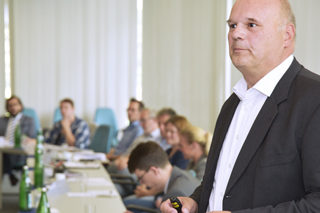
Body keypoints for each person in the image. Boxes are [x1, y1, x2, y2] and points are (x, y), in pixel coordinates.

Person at [161, 0, 320, 212]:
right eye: (232, 25)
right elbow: (223, 185)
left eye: (251, 24)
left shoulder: (314, 99)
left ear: (287, 35)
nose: (236, 34)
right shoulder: (232, 104)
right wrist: (196, 202)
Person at [125, 141, 200, 213]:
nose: (141, 183)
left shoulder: (175, 193)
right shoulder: (179, 175)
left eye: (141, 178)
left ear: (154, 171)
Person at [108, 108, 162, 197]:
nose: (140, 124)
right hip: (126, 169)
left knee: (114, 166)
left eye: (143, 120)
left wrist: (128, 159)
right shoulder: (142, 136)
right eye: (140, 120)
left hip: (137, 173)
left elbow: (147, 160)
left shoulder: (157, 139)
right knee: (113, 189)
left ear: (154, 120)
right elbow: (127, 152)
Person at [0, 95, 36, 185]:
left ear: (21, 106)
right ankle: (10, 173)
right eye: (10, 105)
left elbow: (31, 137)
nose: (13, 108)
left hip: (20, 153)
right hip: (4, 151)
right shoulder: (2, 120)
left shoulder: (29, 120)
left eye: (15, 105)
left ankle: (9, 173)